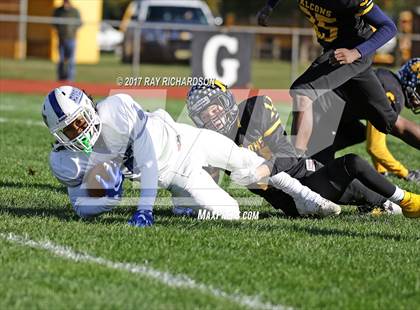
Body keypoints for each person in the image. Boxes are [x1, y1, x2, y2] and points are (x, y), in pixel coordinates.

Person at [41, 86, 341, 227]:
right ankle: (185, 204)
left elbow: (146, 157)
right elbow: (81, 209)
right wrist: (106, 199)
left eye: (79, 122)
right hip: (175, 173)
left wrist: (144, 207)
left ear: (90, 108)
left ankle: (307, 196)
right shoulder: (66, 161)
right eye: (67, 131)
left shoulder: (116, 108)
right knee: (231, 213)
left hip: (188, 139)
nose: (77, 133)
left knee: (247, 163)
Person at [186, 81, 420, 218]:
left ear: (226, 102)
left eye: (214, 110)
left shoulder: (253, 109)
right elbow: (206, 183)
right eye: (205, 116)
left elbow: (288, 154)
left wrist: (261, 171)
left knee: (361, 182)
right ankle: (402, 201)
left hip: (305, 173)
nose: (213, 120)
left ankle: (397, 202)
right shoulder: (209, 140)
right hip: (289, 199)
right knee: (352, 164)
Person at [256, 0, 413, 156]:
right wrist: (268, 7)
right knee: (391, 122)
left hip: (352, 51)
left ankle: (295, 163)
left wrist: (356, 53)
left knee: (304, 92)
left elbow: (389, 27)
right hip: (338, 52)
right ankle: (314, 158)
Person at [309, 58, 420, 182]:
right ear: (410, 80)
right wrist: (405, 173)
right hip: (323, 116)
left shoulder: (386, 76)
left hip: (326, 109)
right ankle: (314, 156)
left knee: (359, 132)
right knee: (321, 178)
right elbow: (375, 147)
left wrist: (381, 170)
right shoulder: (393, 94)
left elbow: (375, 130)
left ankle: (320, 155)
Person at [53, 0, 82, 81]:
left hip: (71, 38)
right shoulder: (58, 11)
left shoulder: (75, 11)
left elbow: (80, 23)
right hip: (61, 38)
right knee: (61, 59)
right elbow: (54, 23)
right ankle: (60, 77)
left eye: (67, 2)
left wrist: (74, 30)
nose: (65, 3)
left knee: (71, 59)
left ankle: (70, 78)